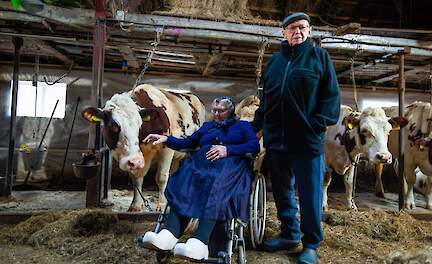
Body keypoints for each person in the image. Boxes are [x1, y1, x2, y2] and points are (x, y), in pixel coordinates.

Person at [252, 12, 340, 264]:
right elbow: (265, 101)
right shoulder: (275, 62)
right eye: (291, 28)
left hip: (307, 141)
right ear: (283, 33)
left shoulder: (319, 58)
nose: (297, 32)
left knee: (310, 194)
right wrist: (257, 127)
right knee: (282, 191)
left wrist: (315, 125)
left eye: (302, 27)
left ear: (310, 31)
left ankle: (311, 243)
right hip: (276, 140)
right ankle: (290, 234)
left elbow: (331, 100)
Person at [141, 96, 260, 260]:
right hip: (201, 166)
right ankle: (168, 235)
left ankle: (200, 242)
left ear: (231, 111)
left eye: (221, 111)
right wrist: (166, 139)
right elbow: (189, 142)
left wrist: (227, 150)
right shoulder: (207, 127)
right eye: (214, 110)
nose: (216, 114)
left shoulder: (242, 126)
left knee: (216, 183)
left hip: (230, 167)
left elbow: (254, 146)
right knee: (185, 179)